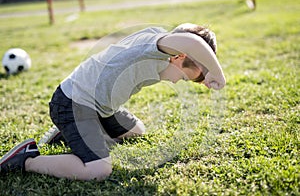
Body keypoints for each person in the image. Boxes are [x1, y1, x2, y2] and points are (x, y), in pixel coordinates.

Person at [0, 23, 226, 181]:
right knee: (98, 170)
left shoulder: (165, 52)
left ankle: (68, 134)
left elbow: (191, 39)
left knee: (137, 131)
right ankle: (27, 159)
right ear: (179, 56)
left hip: (102, 108)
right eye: (192, 77)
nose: (190, 81)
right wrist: (217, 73)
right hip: (73, 104)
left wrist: (204, 71)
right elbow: (190, 41)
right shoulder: (155, 45)